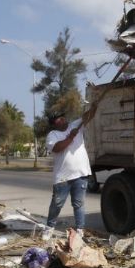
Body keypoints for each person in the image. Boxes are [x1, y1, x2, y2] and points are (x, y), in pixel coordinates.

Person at [44, 103, 100, 240]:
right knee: (57, 203)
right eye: (58, 118)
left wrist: (95, 104)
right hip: (63, 177)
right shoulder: (53, 135)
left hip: (80, 174)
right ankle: (49, 227)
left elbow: (88, 116)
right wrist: (70, 137)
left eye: (63, 117)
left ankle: (80, 230)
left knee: (79, 204)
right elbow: (57, 148)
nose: (62, 119)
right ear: (53, 123)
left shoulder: (75, 125)